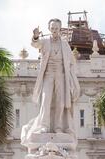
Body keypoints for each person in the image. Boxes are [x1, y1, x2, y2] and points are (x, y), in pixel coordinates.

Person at [21, 18, 80, 146]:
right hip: (48, 75)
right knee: (45, 100)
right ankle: (44, 126)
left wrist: (72, 80)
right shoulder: (45, 42)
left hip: (61, 75)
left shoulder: (65, 44)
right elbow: (35, 44)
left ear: (60, 29)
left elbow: (71, 63)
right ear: (49, 29)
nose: (54, 31)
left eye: (56, 28)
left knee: (60, 102)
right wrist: (36, 36)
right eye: (52, 28)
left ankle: (58, 127)